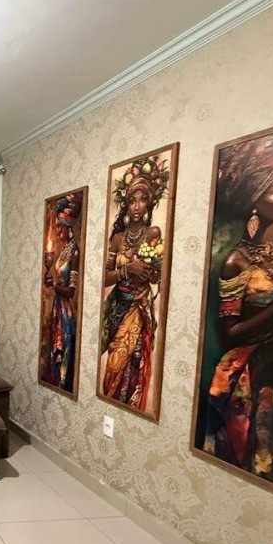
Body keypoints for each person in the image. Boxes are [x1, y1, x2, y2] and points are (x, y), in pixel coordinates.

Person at [202, 139, 273, 478]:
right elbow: (229, 333)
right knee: (243, 449)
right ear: (255, 200)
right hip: (243, 373)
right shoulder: (236, 261)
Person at [100, 157, 169, 410]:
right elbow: (104, 279)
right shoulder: (118, 238)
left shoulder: (153, 233)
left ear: (150, 202)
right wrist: (127, 269)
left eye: (142, 200)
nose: (137, 206)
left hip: (139, 307)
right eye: (132, 200)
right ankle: (109, 407)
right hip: (116, 304)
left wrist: (153, 271)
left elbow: (155, 278)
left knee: (134, 361)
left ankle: (128, 408)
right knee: (113, 363)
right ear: (126, 204)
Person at [42, 194, 81, 391]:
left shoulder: (74, 252)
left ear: (68, 226)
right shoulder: (63, 250)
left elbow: (71, 291)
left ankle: (62, 384)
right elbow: (56, 281)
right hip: (56, 308)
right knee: (53, 354)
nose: (58, 230)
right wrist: (50, 281)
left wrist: (55, 285)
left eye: (60, 226)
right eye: (57, 226)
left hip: (66, 312)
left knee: (63, 352)